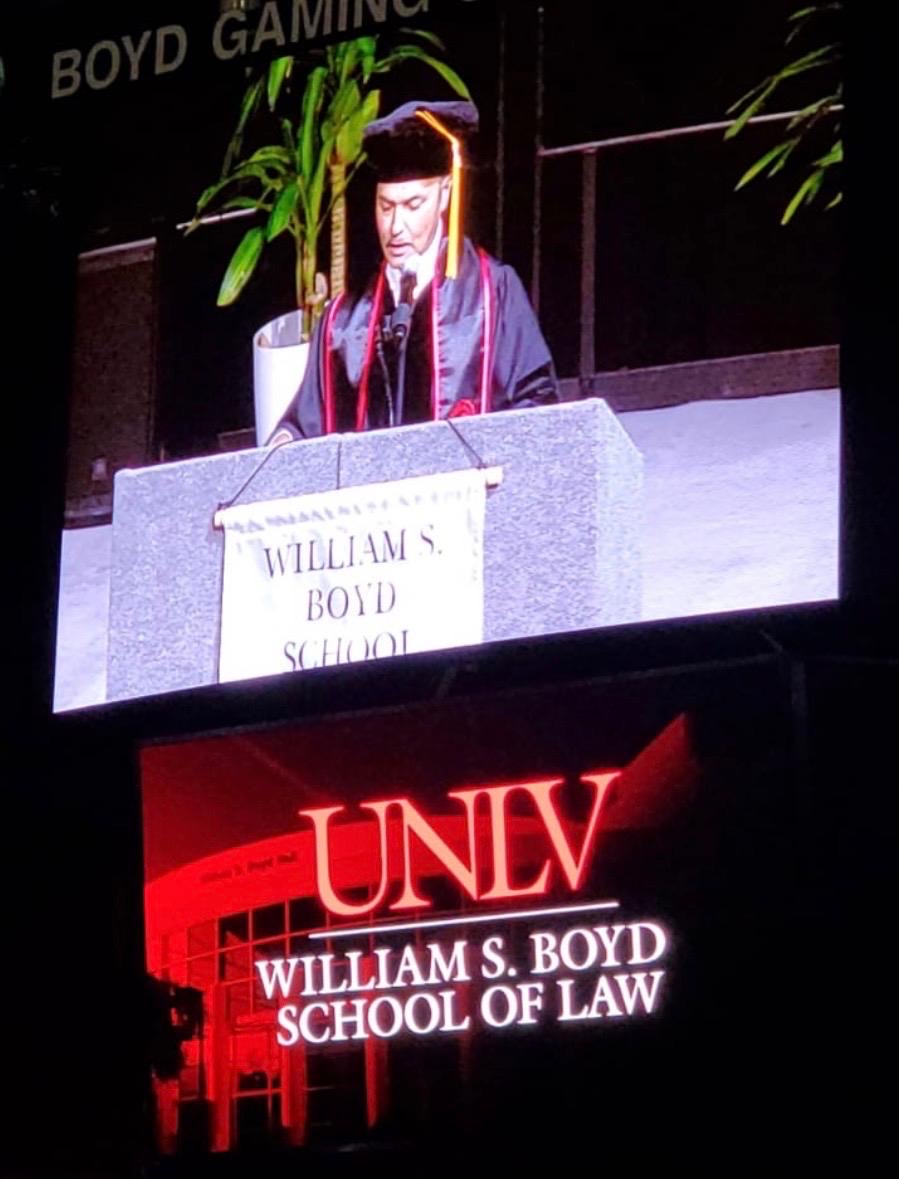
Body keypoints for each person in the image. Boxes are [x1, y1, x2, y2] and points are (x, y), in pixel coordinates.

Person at [270, 99, 558, 443]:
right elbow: (304, 425)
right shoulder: (341, 322)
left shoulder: (493, 291)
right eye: (385, 206)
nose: (395, 227)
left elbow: (537, 403)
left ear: (445, 194)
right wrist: (282, 444)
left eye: (412, 205)